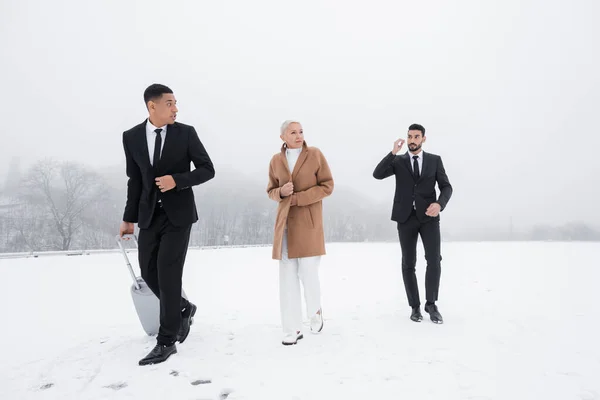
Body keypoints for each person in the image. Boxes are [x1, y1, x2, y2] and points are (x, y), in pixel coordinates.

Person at [119, 84, 215, 365]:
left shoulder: (186, 133)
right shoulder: (132, 137)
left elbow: (207, 169)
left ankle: (166, 341)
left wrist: (178, 180)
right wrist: (128, 218)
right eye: (170, 103)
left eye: (176, 103)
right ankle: (183, 308)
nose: (176, 108)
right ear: (153, 106)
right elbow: (134, 180)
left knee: (168, 274)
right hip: (149, 215)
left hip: (179, 215)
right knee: (149, 272)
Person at [373, 123, 452, 324]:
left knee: (434, 260)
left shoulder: (434, 161)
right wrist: (392, 152)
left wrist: (439, 204)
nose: (412, 140)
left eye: (416, 137)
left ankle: (431, 304)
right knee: (408, 263)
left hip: (429, 218)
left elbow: (446, 187)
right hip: (405, 217)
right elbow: (378, 174)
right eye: (409, 136)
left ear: (423, 138)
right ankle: (415, 307)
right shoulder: (398, 161)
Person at [266, 120, 334, 345]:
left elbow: (327, 185)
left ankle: (315, 311)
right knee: (286, 280)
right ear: (282, 137)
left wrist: (298, 198)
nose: (298, 135)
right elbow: (270, 191)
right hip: (284, 225)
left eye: (301, 131)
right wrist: (281, 193)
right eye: (293, 132)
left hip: (308, 223)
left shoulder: (314, 155)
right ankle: (292, 329)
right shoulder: (276, 160)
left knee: (308, 273)